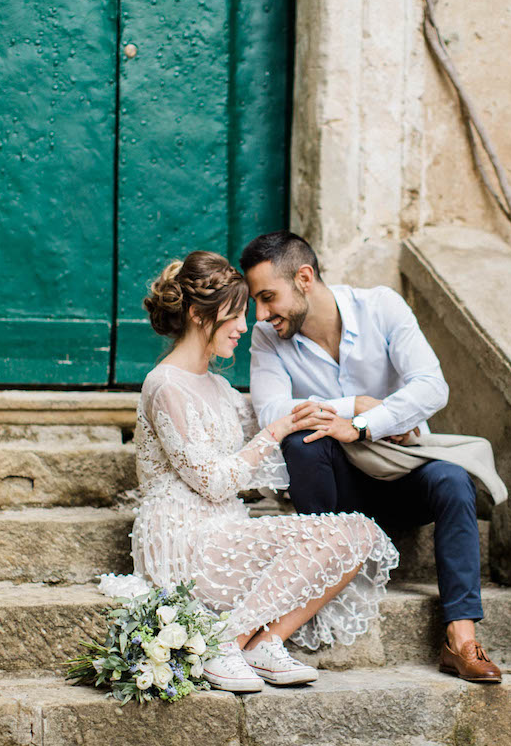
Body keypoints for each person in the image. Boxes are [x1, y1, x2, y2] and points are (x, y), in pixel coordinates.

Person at [99, 250, 398, 693]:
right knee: (341, 535)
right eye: (236, 315)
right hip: (183, 539)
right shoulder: (163, 385)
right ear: (202, 316)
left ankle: (263, 643)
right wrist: (272, 432)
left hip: (227, 530)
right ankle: (226, 644)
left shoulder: (219, 387)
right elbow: (215, 480)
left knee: (357, 534)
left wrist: (341, 418)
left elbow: (268, 451)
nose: (245, 327)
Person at [241, 231, 503, 684]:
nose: (261, 315)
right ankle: (323, 575)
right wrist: (354, 405)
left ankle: (461, 639)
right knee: (303, 441)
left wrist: (366, 424)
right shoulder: (268, 337)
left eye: (267, 298)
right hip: (336, 488)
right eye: (257, 303)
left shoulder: (381, 306)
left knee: (453, 481)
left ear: (304, 278)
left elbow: (430, 386)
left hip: (398, 472)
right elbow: (270, 412)